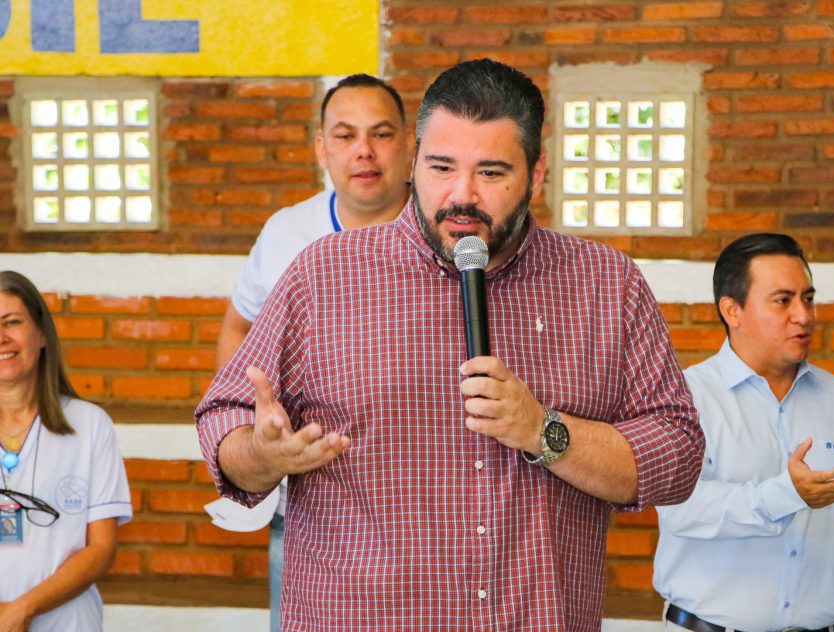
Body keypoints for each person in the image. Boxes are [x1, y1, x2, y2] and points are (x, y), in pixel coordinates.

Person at [197, 58, 704, 631]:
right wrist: (261, 457)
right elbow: (223, 419)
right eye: (441, 167)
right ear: (414, 162)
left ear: (536, 174)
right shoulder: (324, 276)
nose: (461, 195)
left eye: (491, 172)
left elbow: (678, 455)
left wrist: (543, 431)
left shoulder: (605, 285)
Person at [213, 73, 412, 632]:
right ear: (321, 148)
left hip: (421, 507)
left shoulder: (447, 231)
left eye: (381, 134)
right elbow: (237, 327)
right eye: (345, 136)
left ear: (410, 144)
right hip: (309, 504)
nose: (364, 151)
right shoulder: (286, 232)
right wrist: (253, 428)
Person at [653, 233, 834, 632]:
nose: (804, 316)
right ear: (732, 310)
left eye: (808, 299)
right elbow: (681, 510)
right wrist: (785, 495)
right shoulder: (685, 400)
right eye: (783, 300)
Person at [0, 270, 132, 631]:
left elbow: (101, 550)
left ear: (42, 333)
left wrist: (22, 609)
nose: (2, 337)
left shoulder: (89, 425)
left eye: (12, 322)